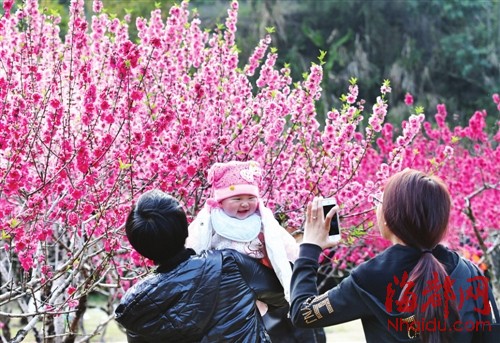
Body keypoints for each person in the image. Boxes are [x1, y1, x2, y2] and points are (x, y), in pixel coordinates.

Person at [290, 168, 495, 343]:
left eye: (379, 200)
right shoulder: (470, 274)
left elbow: (302, 313)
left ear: (390, 216)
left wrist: (309, 248)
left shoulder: (368, 279)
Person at [115, 189, 287, 342]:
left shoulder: (136, 309)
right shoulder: (227, 264)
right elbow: (283, 294)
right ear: (186, 229)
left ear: (139, 248)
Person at [187, 160, 326, 342]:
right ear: (221, 201)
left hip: (258, 285)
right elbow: (194, 243)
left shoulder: (262, 220)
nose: (245, 204)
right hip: (221, 287)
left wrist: (301, 259)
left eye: (251, 198)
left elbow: (283, 242)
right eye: (237, 199)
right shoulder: (211, 220)